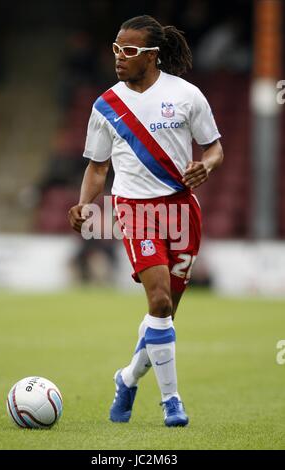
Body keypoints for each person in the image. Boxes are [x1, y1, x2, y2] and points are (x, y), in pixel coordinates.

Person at [68, 15, 223, 427]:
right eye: (116, 49)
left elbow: (214, 148)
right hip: (136, 210)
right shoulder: (106, 105)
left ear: (152, 56)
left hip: (181, 209)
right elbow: (98, 168)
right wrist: (85, 204)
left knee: (164, 315)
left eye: (130, 51)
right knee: (158, 301)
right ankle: (172, 401)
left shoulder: (187, 95)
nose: (120, 58)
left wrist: (206, 167)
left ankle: (127, 378)